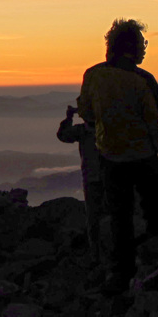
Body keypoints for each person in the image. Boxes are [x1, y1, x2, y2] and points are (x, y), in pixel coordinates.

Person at [77, 18, 158, 294]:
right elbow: (157, 121)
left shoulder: (93, 75)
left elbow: (86, 111)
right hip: (143, 157)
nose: (144, 50)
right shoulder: (143, 80)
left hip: (110, 157)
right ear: (131, 47)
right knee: (156, 210)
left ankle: (120, 275)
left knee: (120, 216)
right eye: (142, 44)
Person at [57, 104, 103, 259]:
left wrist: (69, 117)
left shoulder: (82, 131)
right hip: (107, 177)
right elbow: (63, 135)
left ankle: (97, 252)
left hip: (93, 178)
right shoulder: (106, 128)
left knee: (94, 218)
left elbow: (63, 135)